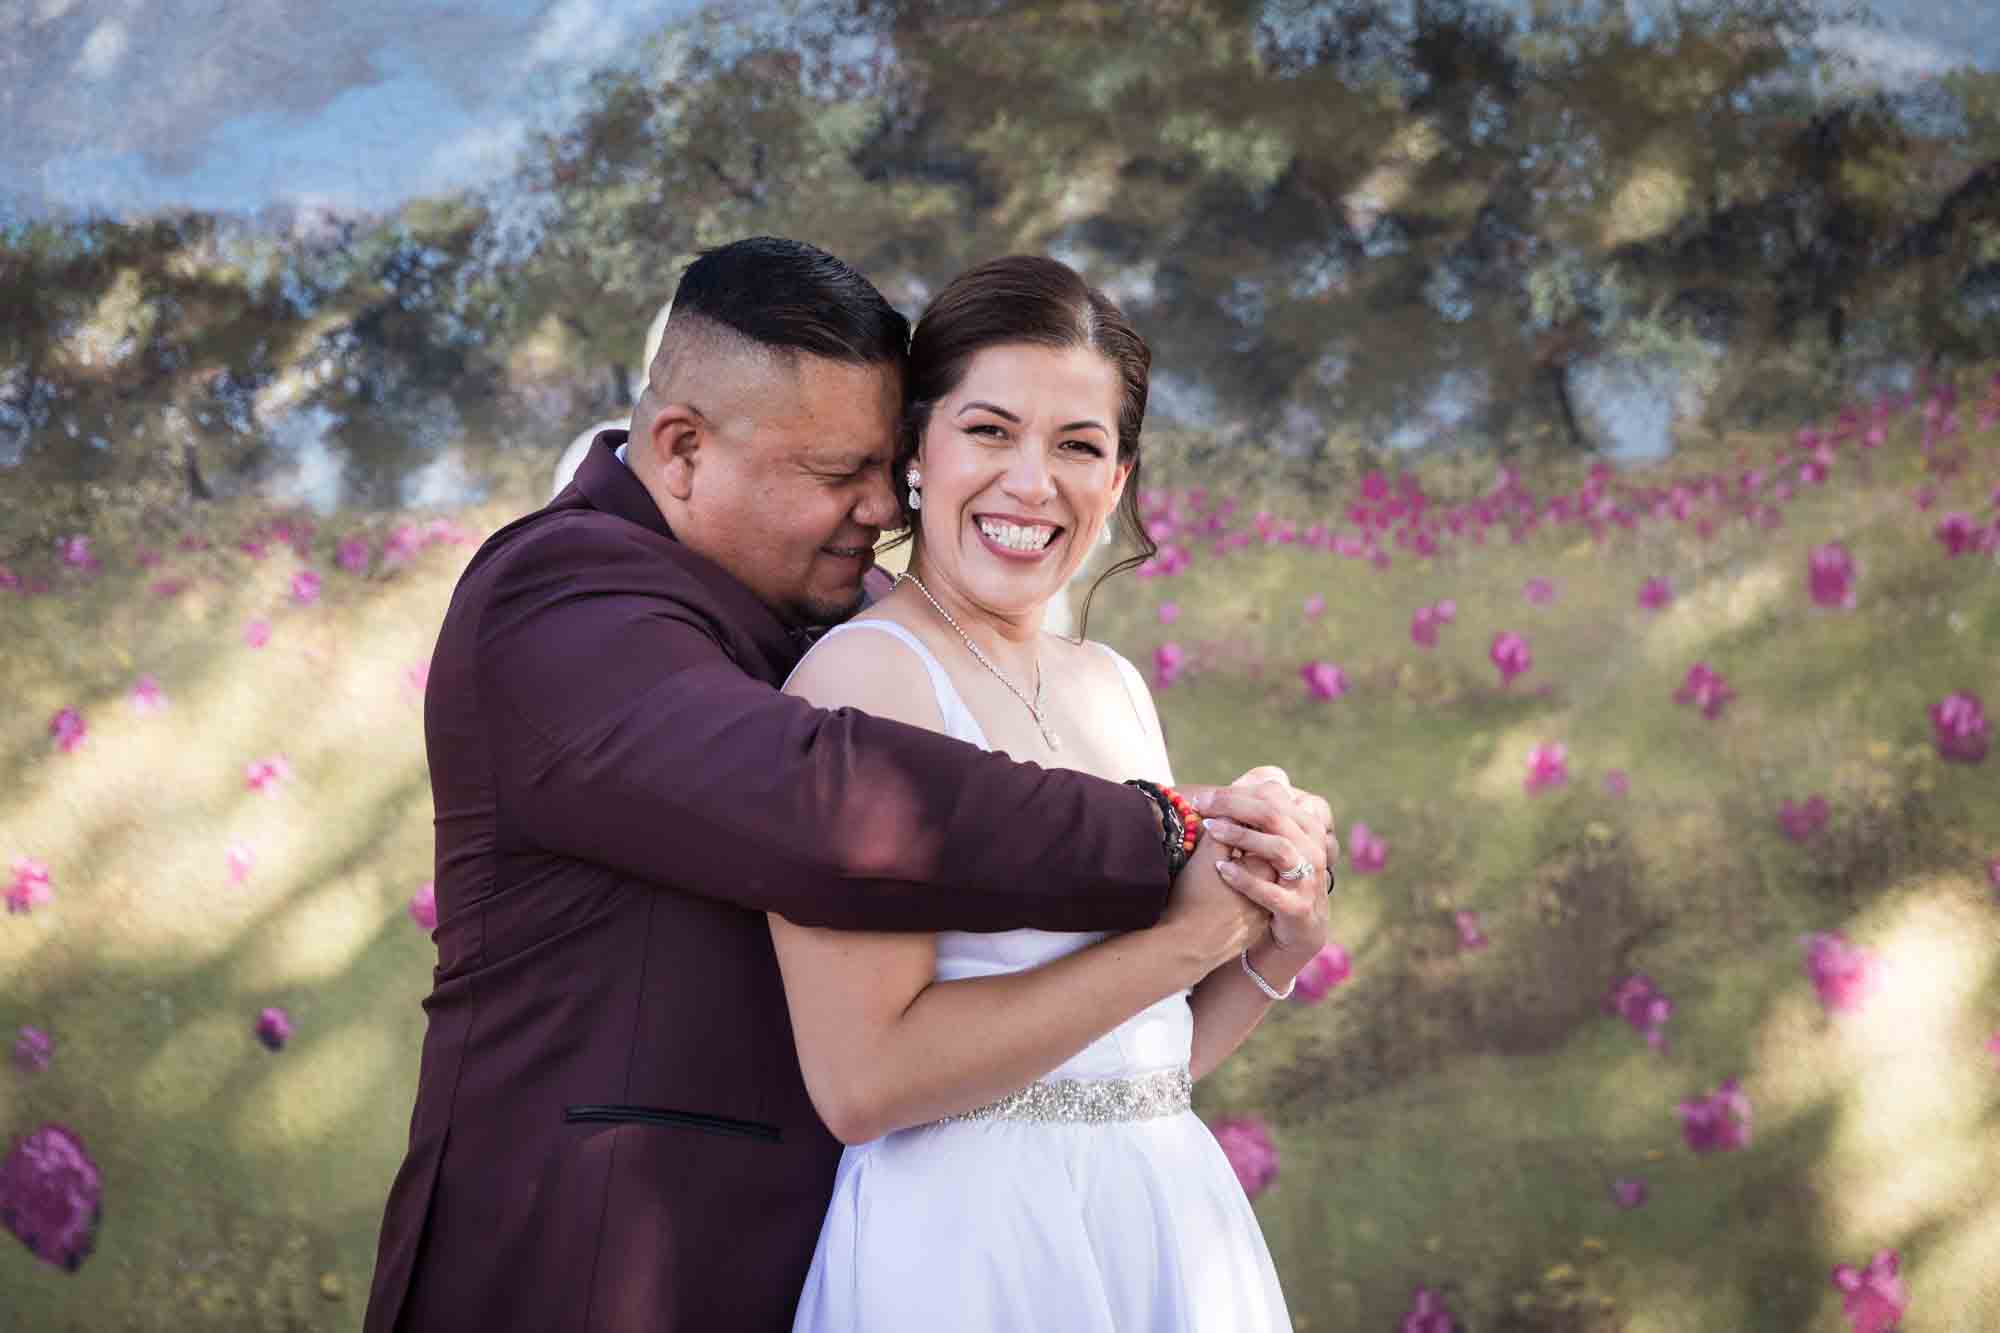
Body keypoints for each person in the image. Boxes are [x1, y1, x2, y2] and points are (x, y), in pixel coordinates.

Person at [360, 237, 1334, 1333]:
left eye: (882, 467)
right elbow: (821, 798)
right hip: (592, 1267)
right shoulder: (558, 597)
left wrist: (1260, 948)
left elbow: (1110, 1072)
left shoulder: (898, 621)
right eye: (838, 474)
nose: (880, 508)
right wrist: (1173, 833)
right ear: (680, 450)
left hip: (847, 1247)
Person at [777, 255, 1322, 1332]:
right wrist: (1182, 942)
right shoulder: (865, 680)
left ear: (1116, 481)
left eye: (1077, 446)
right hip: (971, 1255)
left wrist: (1272, 945)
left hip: (1160, 1218)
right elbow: (860, 1081)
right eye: (989, 431)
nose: (1032, 483)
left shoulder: (1109, 684)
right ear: (916, 451)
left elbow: (1133, 1066)